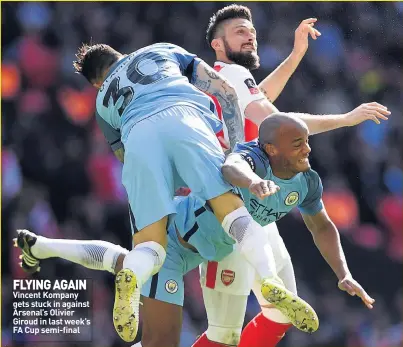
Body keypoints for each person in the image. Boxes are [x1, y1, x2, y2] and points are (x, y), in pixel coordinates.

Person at [15, 114, 375, 347]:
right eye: (299, 144)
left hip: (205, 245)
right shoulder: (252, 156)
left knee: (129, 262)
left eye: (306, 141)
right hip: (188, 233)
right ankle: (271, 285)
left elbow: (322, 225)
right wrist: (252, 183)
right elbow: (232, 165)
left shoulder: (308, 182)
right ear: (270, 148)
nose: (308, 149)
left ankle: (43, 247)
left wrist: (343, 272)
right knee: (210, 325)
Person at [71, 41, 318, 342]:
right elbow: (223, 89)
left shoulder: (101, 105)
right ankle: (268, 279)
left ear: (97, 82)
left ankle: (132, 276)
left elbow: (123, 157)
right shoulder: (160, 50)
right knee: (233, 211)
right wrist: (234, 149)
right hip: (183, 117)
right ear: (119, 53)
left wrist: (164, 182)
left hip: (137, 137)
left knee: (150, 247)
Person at [194, 5, 390, 347]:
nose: (250, 34)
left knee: (280, 313)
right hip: (228, 207)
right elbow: (280, 123)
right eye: (240, 31)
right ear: (217, 44)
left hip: (249, 204)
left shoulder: (231, 82)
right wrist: (346, 118)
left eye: (251, 30)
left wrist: (297, 53)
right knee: (228, 332)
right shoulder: (231, 77)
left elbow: (262, 99)